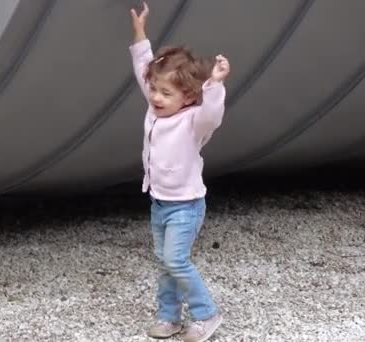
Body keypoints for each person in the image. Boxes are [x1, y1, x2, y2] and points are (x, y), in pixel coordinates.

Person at [129, 2, 230, 341]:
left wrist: (214, 85)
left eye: (165, 92)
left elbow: (212, 114)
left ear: (188, 97)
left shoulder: (192, 121)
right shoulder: (156, 109)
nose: (155, 97)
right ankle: (169, 316)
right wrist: (140, 34)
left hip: (186, 205)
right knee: (164, 262)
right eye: (154, 89)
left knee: (176, 260)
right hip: (160, 202)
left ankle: (207, 313)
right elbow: (144, 67)